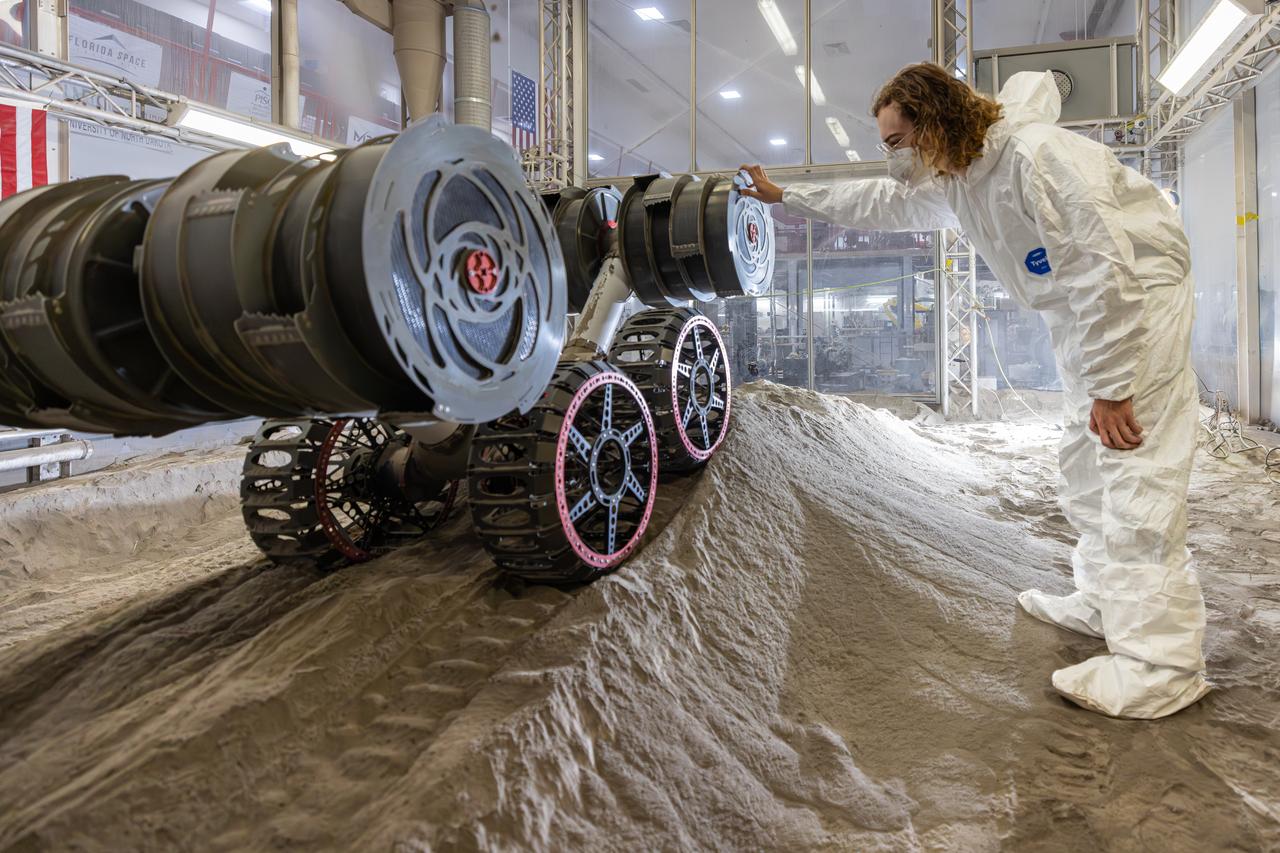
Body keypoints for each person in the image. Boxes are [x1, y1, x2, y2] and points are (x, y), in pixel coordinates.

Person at [740, 63, 1208, 720]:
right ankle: (1105, 599)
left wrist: (1113, 385)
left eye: (896, 140)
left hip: (1137, 304)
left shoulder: (1035, 159)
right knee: (1082, 463)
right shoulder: (961, 178)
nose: (892, 156)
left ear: (935, 123)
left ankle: (1162, 664)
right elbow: (879, 204)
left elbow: (1107, 267)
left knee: (1135, 470)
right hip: (1080, 315)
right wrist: (785, 196)